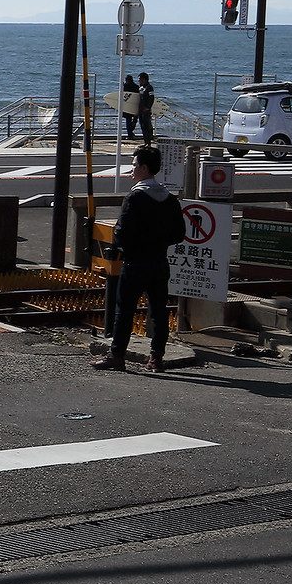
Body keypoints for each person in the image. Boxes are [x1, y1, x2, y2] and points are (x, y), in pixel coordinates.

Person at [94, 145, 182, 373]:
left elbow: (121, 232)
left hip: (135, 262)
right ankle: (156, 358)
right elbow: (179, 234)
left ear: (144, 168)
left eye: (134, 166)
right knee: (159, 310)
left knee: (124, 310)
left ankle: (117, 355)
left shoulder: (135, 197)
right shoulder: (170, 199)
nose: (131, 170)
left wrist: (126, 247)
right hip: (160, 262)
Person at [136, 72, 157, 142]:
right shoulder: (141, 88)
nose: (138, 80)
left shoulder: (149, 88)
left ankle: (149, 142)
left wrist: (148, 107)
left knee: (147, 126)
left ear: (144, 79)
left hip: (146, 110)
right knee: (142, 126)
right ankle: (145, 141)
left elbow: (151, 98)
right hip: (140, 110)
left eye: (140, 79)